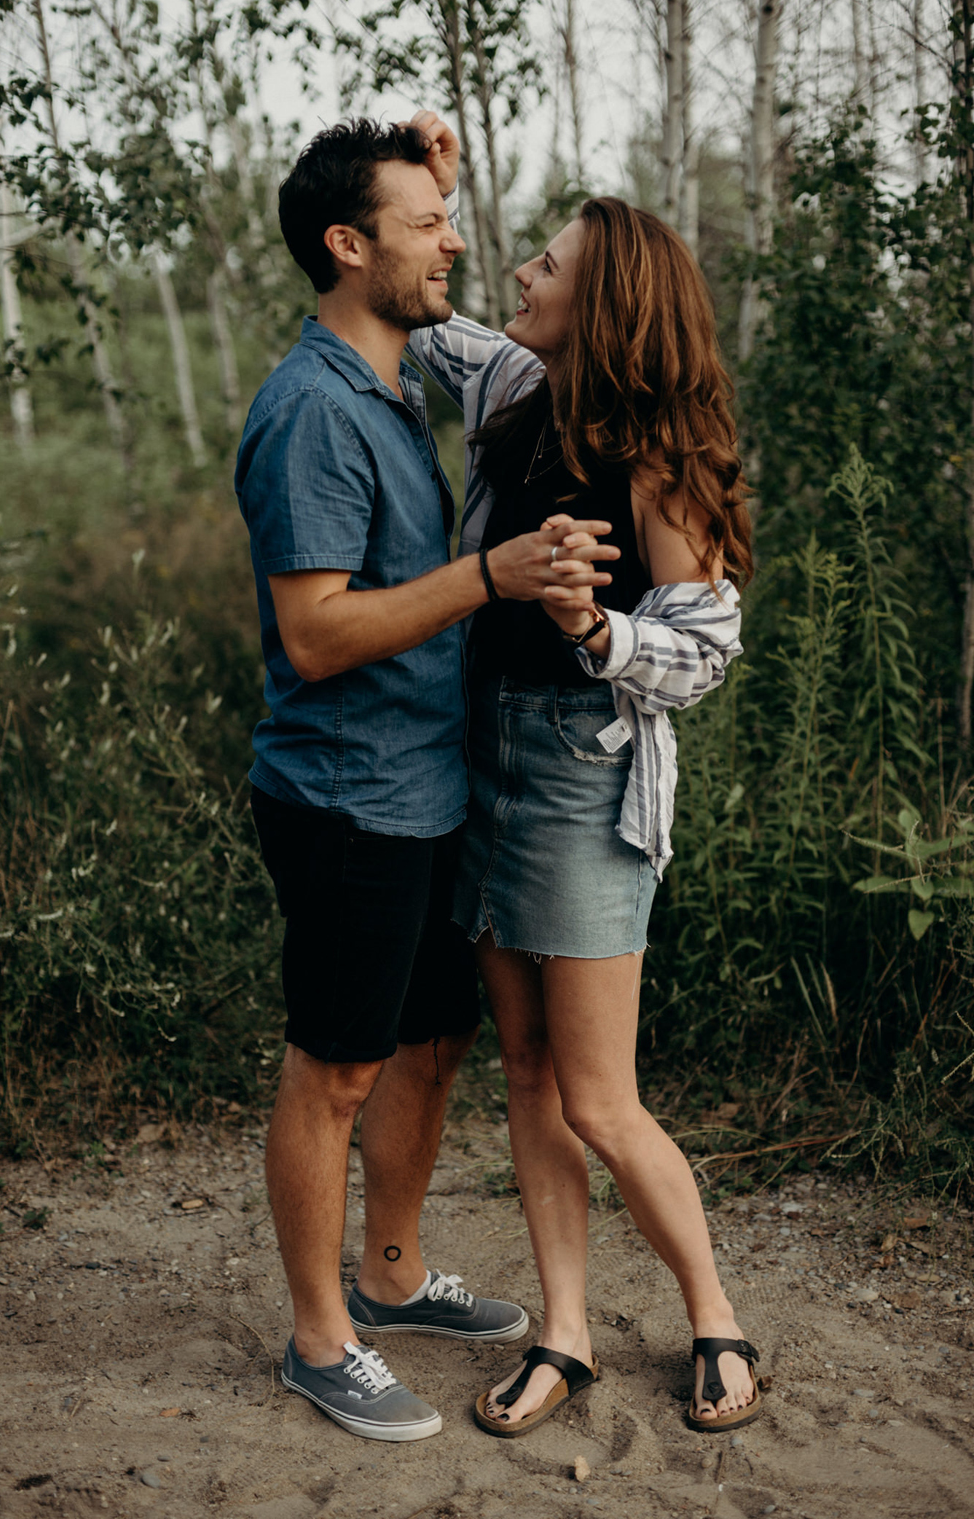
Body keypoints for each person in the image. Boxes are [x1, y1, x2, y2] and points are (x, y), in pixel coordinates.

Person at [237, 117, 621, 1443]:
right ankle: (318, 1338)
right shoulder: (307, 415)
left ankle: (390, 1275)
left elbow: (432, 255)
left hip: (423, 784)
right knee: (335, 1070)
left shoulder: (391, 374)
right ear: (349, 249)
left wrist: (432, 175)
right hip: (344, 796)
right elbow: (316, 630)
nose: (455, 241)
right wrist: (493, 577)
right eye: (427, 224)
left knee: (432, 1040)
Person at [399, 113, 761, 1437]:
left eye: (543, 268)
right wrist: (424, 184)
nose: (517, 280)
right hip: (480, 756)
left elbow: (706, 641)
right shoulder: (508, 396)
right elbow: (410, 303)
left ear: (600, 301)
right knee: (531, 1076)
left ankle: (712, 1312)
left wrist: (591, 628)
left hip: (581, 779)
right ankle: (565, 1330)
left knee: (601, 1094)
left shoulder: (656, 454)